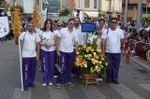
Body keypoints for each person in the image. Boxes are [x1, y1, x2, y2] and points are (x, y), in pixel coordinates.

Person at [16, 22, 41, 90]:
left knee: (32, 70)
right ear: (27, 27)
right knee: (26, 70)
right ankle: (25, 83)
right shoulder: (24, 34)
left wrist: (38, 55)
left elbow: (38, 45)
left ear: (34, 27)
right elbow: (17, 43)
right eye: (29, 26)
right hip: (25, 56)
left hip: (33, 55)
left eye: (32, 26)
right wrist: (16, 37)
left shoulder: (36, 35)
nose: (31, 27)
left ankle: (31, 82)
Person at [56, 18, 78, 88]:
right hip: (62, 51)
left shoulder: (75, 32)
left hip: (71, 52)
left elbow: (76, 43)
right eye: (70, 23)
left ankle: (67, 81)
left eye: (73, 24)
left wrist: (76, 52)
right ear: (68, 23)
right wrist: (57, 50)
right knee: (62, 67)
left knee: (69, 67)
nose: (72, 25)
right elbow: (58, 41)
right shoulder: (62, 30)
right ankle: (59, 81)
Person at [101, 17, 124, 84]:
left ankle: (115, 78)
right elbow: (103, 42)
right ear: (110, 23)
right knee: (109, 66)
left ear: (117, 23)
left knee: (116, 66)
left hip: (117, 52)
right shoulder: (106, 31)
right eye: (112, 22)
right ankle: (109, 78)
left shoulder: (120, 31)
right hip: (108, 51)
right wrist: (103, 51)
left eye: (115, 22)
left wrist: (122, 49)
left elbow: (122, 41)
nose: (114, 24)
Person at [39, 19, 57, 86]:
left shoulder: (53, 33)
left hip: (52, 50)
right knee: (44, 65)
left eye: (49, 23)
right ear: (45, 24)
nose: (48, 24)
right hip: (44, 50)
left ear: (51, 25)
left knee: (51, 66)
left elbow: (55, 42)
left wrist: (51, 45)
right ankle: (44, 80)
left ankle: (49, 80)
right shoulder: (41, 32)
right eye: (47, 23)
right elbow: (39, 42)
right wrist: (44, 44)